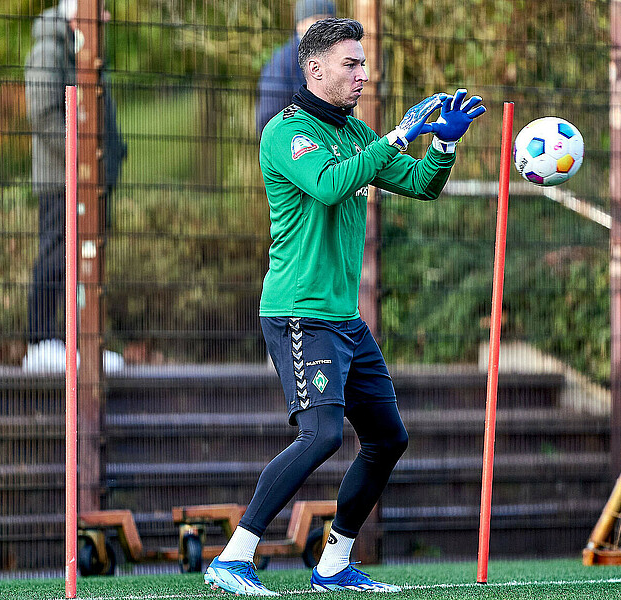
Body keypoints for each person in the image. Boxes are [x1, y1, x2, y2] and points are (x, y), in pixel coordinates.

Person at [203, 18, 485, 595]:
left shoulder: (358, 135)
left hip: (343, 319)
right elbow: (331, 185)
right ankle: (235, 556)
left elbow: (422, 183)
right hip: (298, 311)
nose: (363, 73)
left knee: (388, 438)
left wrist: (443, 143)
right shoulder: (286, 133)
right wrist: (398, 137)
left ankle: (334, 563)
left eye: (363, 62)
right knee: (321, 435)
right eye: (351, 64)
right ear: (314, 70)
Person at [23, 0, 127, 373]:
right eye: (100, 9)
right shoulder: (50, 46)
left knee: (87, 260)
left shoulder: (82, 44)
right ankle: (41, 342)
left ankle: (81, 343)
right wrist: (80, 159)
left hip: (90, 179)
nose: (107, 17)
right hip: (61, 178)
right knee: (55, 256)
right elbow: (42, 111)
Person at [255, 0, 335, 136]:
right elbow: (269, 119)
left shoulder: (334, 59)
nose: (324, 28)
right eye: (317, 20)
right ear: (301, 23)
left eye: (328, 21)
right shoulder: (281, 63)